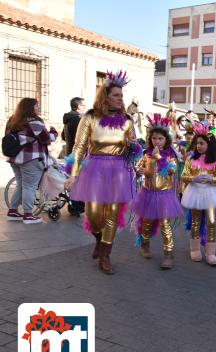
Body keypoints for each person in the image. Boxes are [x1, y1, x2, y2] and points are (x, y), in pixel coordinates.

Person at [65, 71, 141, 274]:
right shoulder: (90, 117)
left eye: (121, 95)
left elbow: (133, 150)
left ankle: (106, 254)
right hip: (94, 169)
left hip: (119, 170)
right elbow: (79, 147)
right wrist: (73, 174)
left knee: (113, 214)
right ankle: (99, 240)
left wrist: (134, 147)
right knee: (94, 214)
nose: (120, 99)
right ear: (105, 96)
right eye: (116, 95)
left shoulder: (127, 120)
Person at [132, 114, 183, 269]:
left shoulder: (170, 155)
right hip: (148, 194)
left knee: (165, 225)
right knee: (147, 223)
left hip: (164, 196)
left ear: (166, 140)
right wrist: (139, 170)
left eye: (160, 139)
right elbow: (141, 168)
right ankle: (145, 246)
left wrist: (162, 159)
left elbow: (172, 170)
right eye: (154, 138)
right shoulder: (147, 154)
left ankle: (168, 254)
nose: (157, 141)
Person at [5, 97, 57, 224]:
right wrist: (54, 132)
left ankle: (12, 211)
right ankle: (28, 215)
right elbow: (46, 139)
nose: (38, 108)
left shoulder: (12, 121)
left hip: (15, 158)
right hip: (31, 159)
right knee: (29, 186)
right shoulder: (35, 122)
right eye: (36, 106)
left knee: (21, 185)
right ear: (30, 108)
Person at [181, 123, 216, 266]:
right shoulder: (191, 159)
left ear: (210, 144)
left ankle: (210, 253)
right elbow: (184, 175)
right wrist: (193, 178)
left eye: (201, 143)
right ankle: (194, 250)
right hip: (195, 192)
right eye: (196, 143)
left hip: (210, 194)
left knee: (211, 222)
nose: (198, 146)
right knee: (195, 221)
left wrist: (212, 179)